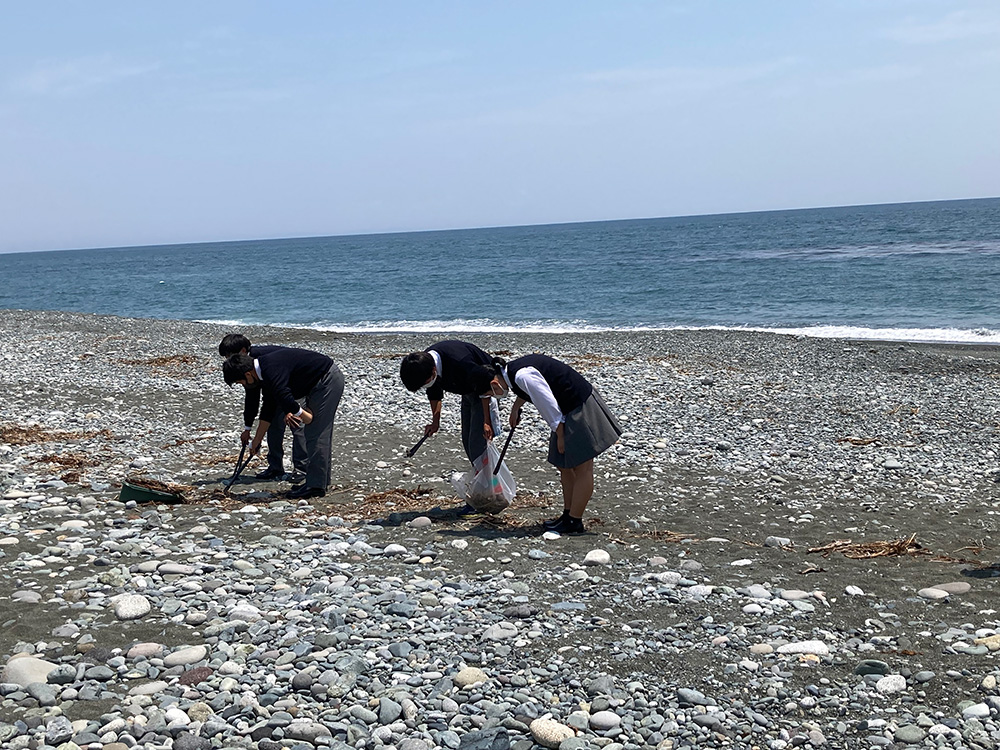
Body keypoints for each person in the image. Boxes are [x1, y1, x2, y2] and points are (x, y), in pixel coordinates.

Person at [486, 354, 622, 534]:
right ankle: (568, 514)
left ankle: (575, 521)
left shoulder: (521, 375)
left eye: (490, 394)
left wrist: (560, 435)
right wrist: (515, 407)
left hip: (579, 405)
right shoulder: (512, 372)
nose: (494, 396)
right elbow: (530, 390)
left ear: (494, 384)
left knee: (583, 466)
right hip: (566, 411)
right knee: (564, 465)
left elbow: (547, 402)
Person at [223, 348, 344, 499]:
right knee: (315, 433)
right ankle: (319, 482)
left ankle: (315, 486)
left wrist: (305, 417)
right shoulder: (263, 371)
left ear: (248, 374)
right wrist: (257, 440)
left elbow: (285, 396)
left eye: (240, 382)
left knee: (316, 434)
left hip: (326, 381)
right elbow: (268, 408)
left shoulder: (270, 370)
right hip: (315, 384)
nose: (243, 385)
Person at [399, 340, 502, 514]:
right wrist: (435, 421)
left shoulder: (459, 362)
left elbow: (485, 384)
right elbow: (434, 390)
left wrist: (486, 420)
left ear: (433, 371)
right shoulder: (424, 364)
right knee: (467, 442)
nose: (426, 385)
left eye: (425, 382)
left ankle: (492, 493)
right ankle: (485, 491)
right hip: (467, 390)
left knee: (478, 446)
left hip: (485, 388)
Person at [218, 334, 307, 481]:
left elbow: (270, 398)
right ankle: (275, 467)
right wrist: (247, 428)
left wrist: (286, 411)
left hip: (294, 387)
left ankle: (302, 469)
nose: (228, 360)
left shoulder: (262, 359)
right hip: (275, 392)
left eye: (229, 355)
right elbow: (252, 397)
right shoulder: (243, 368)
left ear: (242, 351)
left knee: (297, 425)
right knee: (272, 425)